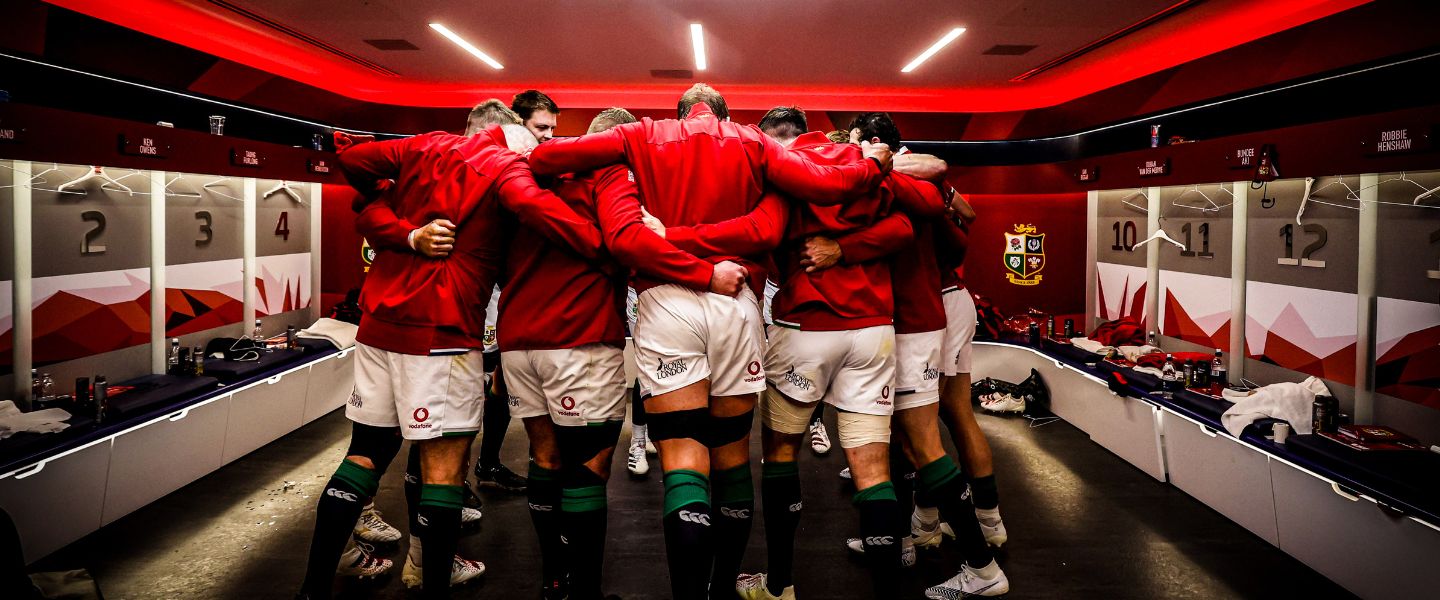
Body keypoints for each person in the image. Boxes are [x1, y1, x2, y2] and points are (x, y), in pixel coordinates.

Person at [529, 84, 893, 600]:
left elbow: (546, 158)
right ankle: (722, 590)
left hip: (666, 300)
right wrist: (873, 164)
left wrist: (665, 233)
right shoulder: (752, 141)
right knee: (731, 459)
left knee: (683, 463)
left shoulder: (642, 134)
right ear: (725, 115)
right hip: (737, 299)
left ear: (679, 115)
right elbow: (819, 189)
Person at [299, 121, 606, 600]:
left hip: (379, 327)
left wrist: (406, 233)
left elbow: (356, 170)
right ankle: (428, 580)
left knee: (364, 454)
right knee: (443, 473)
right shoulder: (507, 166)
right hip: (441, 330)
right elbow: (533, 206)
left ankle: (312, 591)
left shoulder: (428, 145)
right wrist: (605, 242)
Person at [498, 107, 744, 600]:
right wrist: (704, 273)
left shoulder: (524, 174)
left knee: (544, 458)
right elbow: (625, 241)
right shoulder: (610, 174)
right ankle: (584, 594)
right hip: (577, 335)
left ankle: (554, 581)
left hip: (517, 337)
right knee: (587, 467)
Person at [731, 106, 921, 600]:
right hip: (873, 329)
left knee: (780, 454)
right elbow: (905, 227)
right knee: (873, 471)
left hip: (807, 326)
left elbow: (764, 235)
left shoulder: (785, 171)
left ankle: (780, 586)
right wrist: (852, 246)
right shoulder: (869, 166)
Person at [823, 114, 1009, 599]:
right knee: (902, 439)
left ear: (871, 145)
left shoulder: (899, 182)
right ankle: (910, 536)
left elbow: (936, 229)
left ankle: (983, 567)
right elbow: (958, 235)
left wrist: (841, 249)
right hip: (909, 318)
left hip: (914, 321)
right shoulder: (907, 180)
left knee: (924, 441)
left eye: (855, 144)